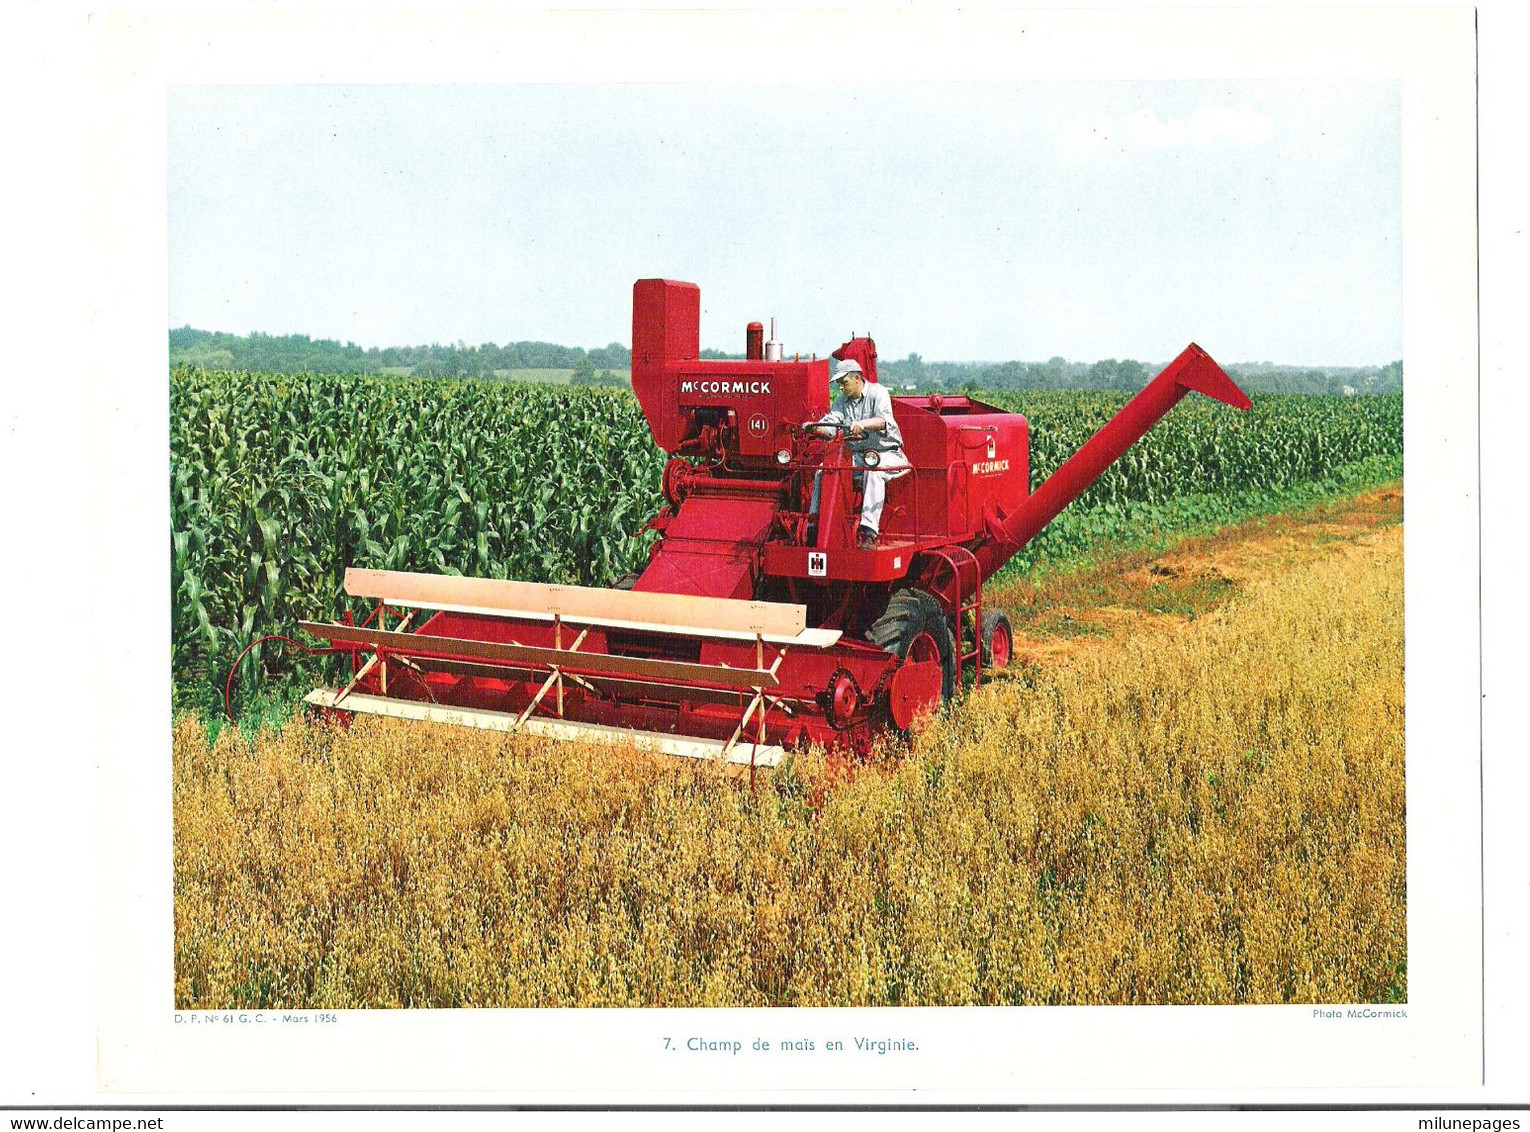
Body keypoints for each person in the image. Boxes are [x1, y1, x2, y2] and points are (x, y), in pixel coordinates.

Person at [802, 358, 910, 549]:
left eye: (844, 382)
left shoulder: (878, 393)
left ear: (857, 378)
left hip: (886, 453)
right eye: (838, 384)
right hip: (858, 455)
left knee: (873, 471)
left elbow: (883, 421)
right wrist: (815, 427)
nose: (841, 388)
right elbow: (831, 425)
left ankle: (869, 532)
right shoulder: (841, 401)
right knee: (823, 470)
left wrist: (863, 424)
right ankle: (814, 526)